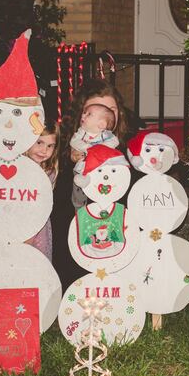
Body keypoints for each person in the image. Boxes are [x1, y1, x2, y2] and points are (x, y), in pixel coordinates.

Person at [51, 80, 133, 289]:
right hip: (76, 221)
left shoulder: (124, 145)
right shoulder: (71, 143)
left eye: (111, 109)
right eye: (95, 109)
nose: (105, 115)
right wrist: (72, 161)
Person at [24, 121, 60, 261]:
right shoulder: (16, 168)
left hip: (38, 229)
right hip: (14, 225)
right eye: (39, 143)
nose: (44, 150)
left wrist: (30, 238)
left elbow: (40, 208)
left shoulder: (48, 172)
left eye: (50, 146)